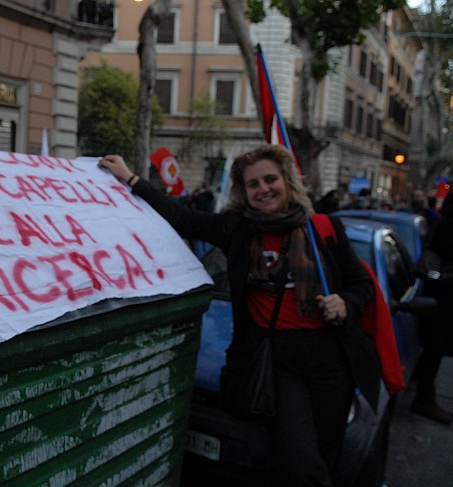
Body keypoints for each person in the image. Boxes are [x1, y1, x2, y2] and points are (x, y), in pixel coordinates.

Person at [100, 145, 376, 486]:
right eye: (253, 184)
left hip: (332, 362)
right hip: (277, 363)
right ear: (243, 192)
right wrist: (131, 178)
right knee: (301, 467)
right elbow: (182, 217)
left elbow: (362, 284)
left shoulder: (323, 228)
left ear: (287, 182)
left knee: (326, 457)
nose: (264, 189)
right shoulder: (238, 230)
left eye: (270, 179)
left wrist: (345, 303)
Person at [411, 182, 453, 424]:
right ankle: (423, 398)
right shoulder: (448, 226)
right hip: (443, 300)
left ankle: (422, 391)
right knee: (434, 350)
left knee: (434, 351)